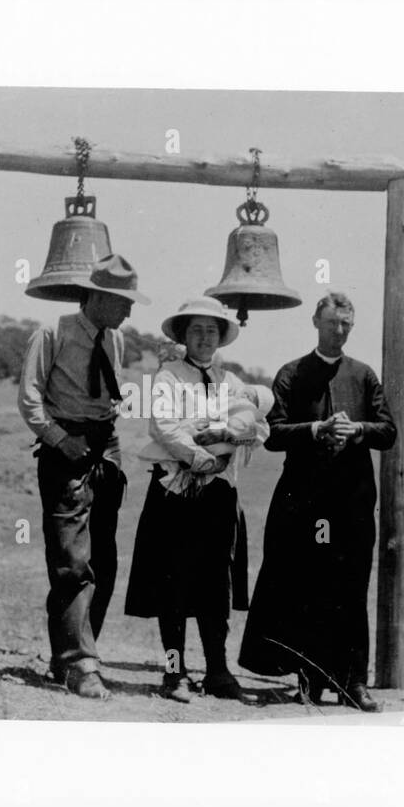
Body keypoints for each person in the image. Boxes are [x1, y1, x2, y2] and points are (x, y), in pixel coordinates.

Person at [238, 292, 396, 712]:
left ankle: (354, 682)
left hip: (352, 501)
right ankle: (310, 681)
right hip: (304, 500)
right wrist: (314, 430)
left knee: (351, 587)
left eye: (346, 324)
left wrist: (358, 429)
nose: (339, 331)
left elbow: (388, 431)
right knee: (306, 585)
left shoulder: (363, 376)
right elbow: (272, 433)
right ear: (315, 322)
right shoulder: (292, 373)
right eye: (331, 324)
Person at [124, 297, 270, 704]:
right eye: (196, 331)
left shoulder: (233, 382)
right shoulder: (169, 377)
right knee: (172, 584)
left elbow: (260, 428)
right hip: (175, 491)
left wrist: (227, 439)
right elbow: (164, 427)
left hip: (219, 495)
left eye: (212, 331)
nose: (204, 338)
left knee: (214, 584)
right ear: (184, 336)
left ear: (221, 337)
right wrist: (201, 454)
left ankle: (218, 671)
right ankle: (175, 674)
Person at [17, 255, 150, 699]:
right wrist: (59, 439)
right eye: (123, 302)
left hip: (104, 450)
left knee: (104, 562)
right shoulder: (52, 333)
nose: (129, 311)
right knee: (72, 561)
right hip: (64, 451)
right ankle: (81, 664)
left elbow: (108, 395)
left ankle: (72, 655)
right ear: (97, 297)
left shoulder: (117, 339)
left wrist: (108, 441)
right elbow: (29, 397)